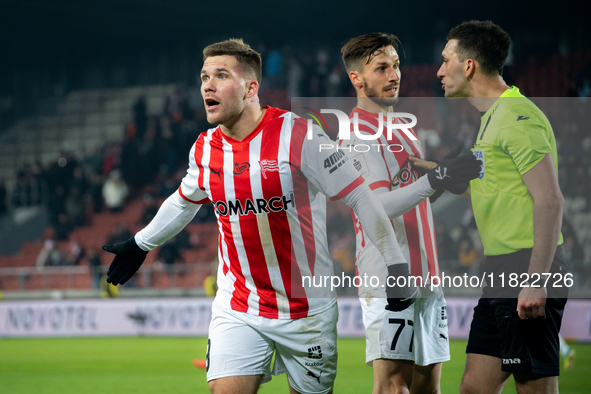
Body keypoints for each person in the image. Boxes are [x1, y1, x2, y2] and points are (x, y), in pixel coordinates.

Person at [103, 38, 415, 394]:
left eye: (221, 75)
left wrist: (396, 264)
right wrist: (141, 243)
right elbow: (184, 200)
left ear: (251, 87)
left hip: (306, 311)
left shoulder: (298, 135)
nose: (208, 84)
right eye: (204, 76)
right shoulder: (205, 149)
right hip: (239, 306)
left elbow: (360, 195)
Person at [417, 20, 568, 394]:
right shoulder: (491, 120)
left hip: (526, 266)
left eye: (445, 60)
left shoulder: (516, 117)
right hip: (500, 269)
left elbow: (550, 199)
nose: (438, 71)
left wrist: (534, 279)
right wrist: (435, 172)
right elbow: (493, 190)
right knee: (473, 388)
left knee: (534, 388)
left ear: (468, 66)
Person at [339, 33, 482, 394]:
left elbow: (413, 197)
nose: (394, 75)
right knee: (393, 386)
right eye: (382, 68)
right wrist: (435, 179)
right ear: (357, 78)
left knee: (426, 388)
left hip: (428, 275)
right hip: (388, 278)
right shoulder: (356, 135)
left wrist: (442, 178)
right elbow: (377, 205)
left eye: (397, 65)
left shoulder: (402, 129)